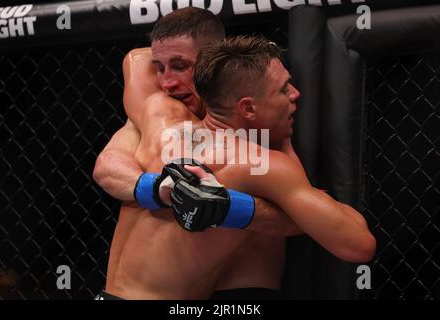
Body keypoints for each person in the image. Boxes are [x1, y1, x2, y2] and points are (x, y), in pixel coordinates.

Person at [101, 34, 375, 300]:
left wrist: (224, 58)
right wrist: (282, 147)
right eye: (283, 89)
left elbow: (138, 58)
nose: (295, 93)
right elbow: (359, 244)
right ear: (248, 109)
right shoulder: (256, 162)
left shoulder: (159, 117)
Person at [93, 8, 304, 300]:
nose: (167, 82)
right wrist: (162, 188)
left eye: (180, 66)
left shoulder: (254, 121)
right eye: (160, 67)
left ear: (211, 63)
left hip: (243, 287)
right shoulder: (159, 111)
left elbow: (300, 217)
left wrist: (229, 207)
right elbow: (106, 167)